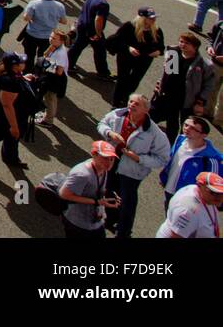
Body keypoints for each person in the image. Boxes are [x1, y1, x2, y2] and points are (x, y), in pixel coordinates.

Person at [96, 94, 170, 238]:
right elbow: (101, 124)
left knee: (127, 204)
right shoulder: (117, 115)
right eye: (131, 101)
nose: (132, 105)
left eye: (137, 104)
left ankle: (124, 233)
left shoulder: (154, 133)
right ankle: (109, 219)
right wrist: (109, 133)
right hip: (111, 163)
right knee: (108, 191)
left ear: (145, 110)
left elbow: (162, 158)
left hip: (131, 172)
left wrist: (138, 158)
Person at [151, 31, 217, 138]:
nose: (182, 44)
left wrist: (200, 101)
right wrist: (160, 85)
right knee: (171, 122)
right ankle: (169, 143)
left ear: (195, 46)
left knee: (186, 125)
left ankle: (181, 143)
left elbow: (209, 85)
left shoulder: (204, 64)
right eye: (181, 41)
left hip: (188, 100)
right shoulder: (174, 54)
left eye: (187, 43)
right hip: (171, 96)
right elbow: (168, 74)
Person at [58, 140, 121, 239]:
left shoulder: (104, 169)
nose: (109, 162)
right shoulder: (82, 174)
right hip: (77, 223)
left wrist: (106, 199)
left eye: (112, 159)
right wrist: (95, 201)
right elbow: (64, 194)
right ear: (94, 154)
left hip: (95, 222)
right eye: (105, 158)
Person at [107, 8, 165, 108]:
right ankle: (115, 104)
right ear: (142, 18)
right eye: (151, 18)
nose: (154, 19)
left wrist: (158, 51)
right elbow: (115, 40)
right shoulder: (129, 26)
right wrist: (128, 48)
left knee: (134, 81)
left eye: (154, 17)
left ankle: (126, 101)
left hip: (144, 60)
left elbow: (161, 47)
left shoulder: (156, 30)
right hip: (126, 57)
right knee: (122, 80)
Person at [160, 117, 223, 205]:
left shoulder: (211, 158)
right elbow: (171, 161)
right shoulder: (180, 140)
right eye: (186, 125)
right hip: (169, 190)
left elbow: (213, 185)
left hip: (188, 199)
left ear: (203, 135)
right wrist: (164, 177)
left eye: (193, 128)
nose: (187, 129)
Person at [156, 171, 223, 238]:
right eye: (213, 192)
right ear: (200, 186)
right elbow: (176, 236)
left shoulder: (206, 197)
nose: (219, 197)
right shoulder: (188, 210)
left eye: (221, 193)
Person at [71, 0, 115, 79]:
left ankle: (68, 64)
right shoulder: (103, 4)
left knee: (77, 47)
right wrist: (98, 33)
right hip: (92, 31)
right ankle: (103, 73)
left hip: (82, 25)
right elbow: (98, 19)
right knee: (100, 50)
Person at [19, 0, 67, 71]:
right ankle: (39, 72)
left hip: (32, 34)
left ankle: (27, 72)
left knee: (29, 55)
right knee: (44, 56)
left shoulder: (33, 3)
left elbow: (26, 18)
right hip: (48, 37)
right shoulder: (60, 6)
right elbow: (64, 21)